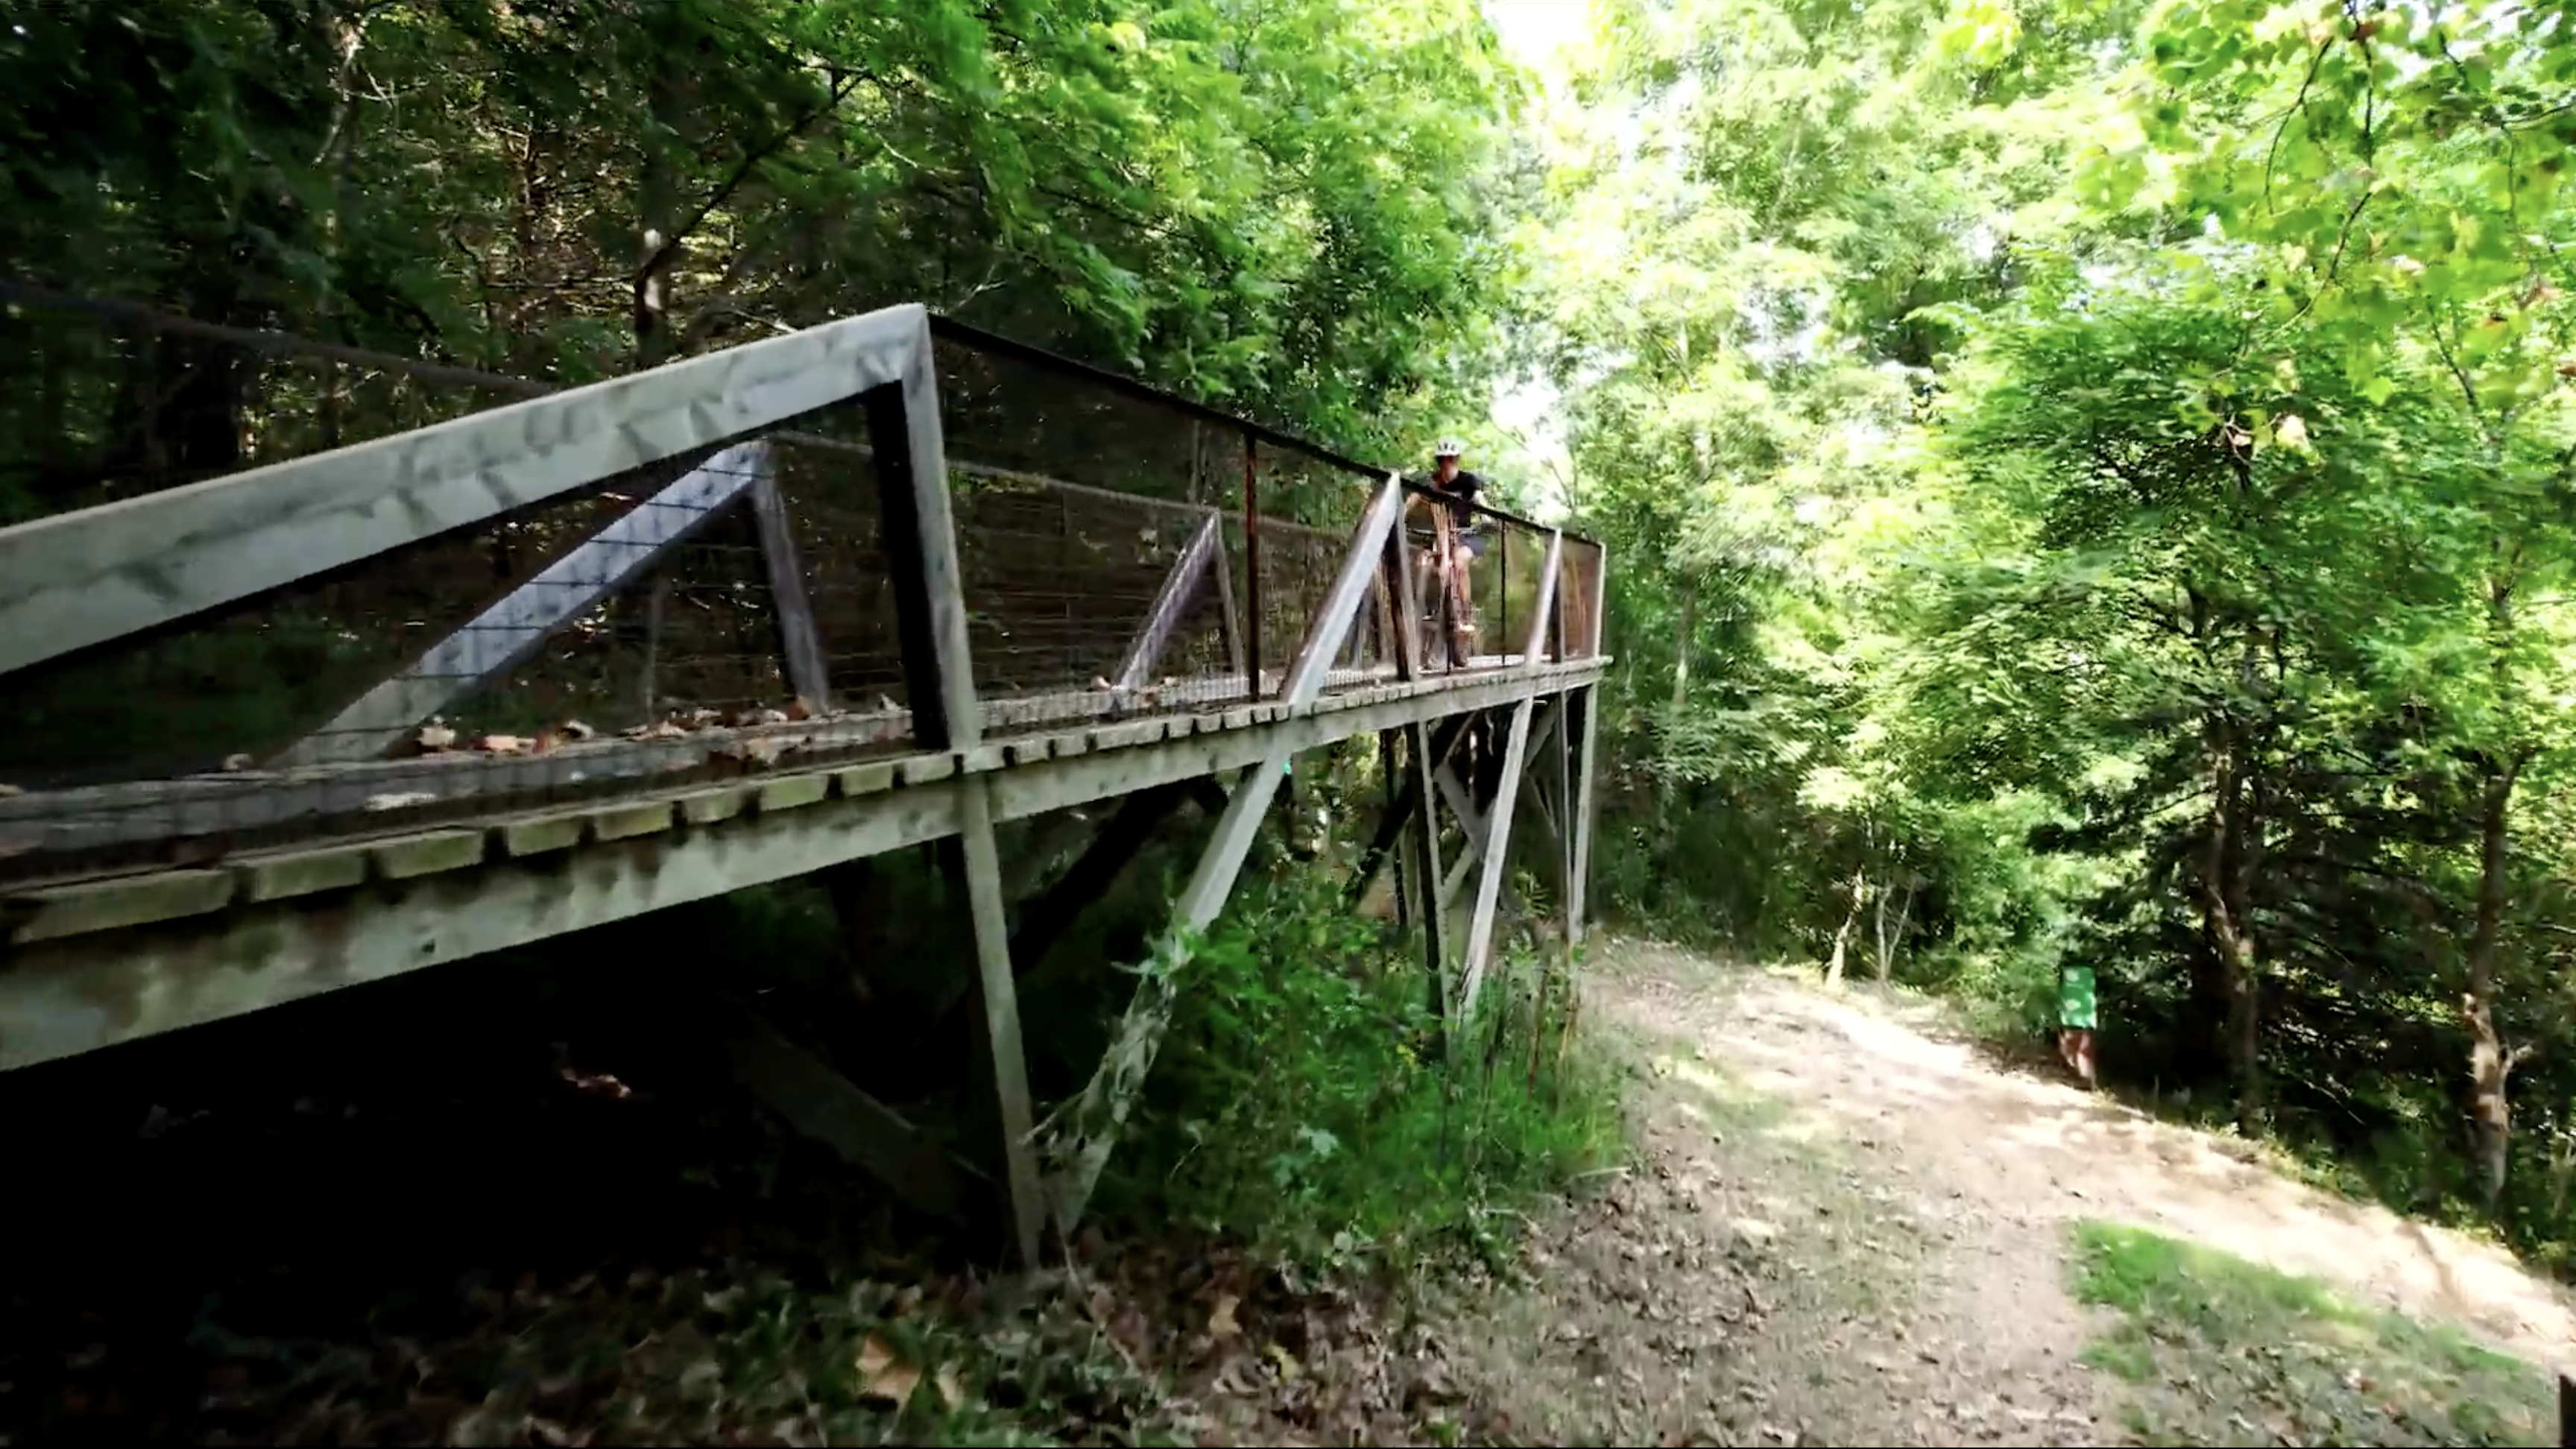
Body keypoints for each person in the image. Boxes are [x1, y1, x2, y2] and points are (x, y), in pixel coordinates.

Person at [1411, 439, 1487, 662]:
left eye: (1451, 460)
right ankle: (1428, 606)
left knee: (1460, 562)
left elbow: (1481, 503)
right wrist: (1399, 514)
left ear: (1457, 461)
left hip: (1468, 534)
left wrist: (1487, 518)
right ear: (1439, 462)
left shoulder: (1467, 482)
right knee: (1422, 562)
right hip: (1441, 535)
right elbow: (1413, 499)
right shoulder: (1433, 483)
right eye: (1443, 461)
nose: (1447, 464)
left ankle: (1465, 611)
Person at [2056, 962, 2098, 1088]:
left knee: (2074, 1049)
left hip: (2073, 1017)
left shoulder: (2069, 976)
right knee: (2082, 1050)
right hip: (2085, 1017)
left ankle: (2084, 1078)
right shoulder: (2087, 975)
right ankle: (2087, 1079)